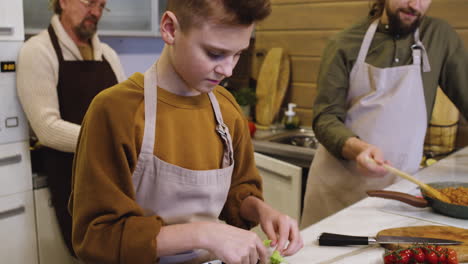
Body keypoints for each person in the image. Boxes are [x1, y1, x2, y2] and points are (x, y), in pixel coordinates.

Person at [69, 0, 303, 263]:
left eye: (238, 54)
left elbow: (239, 190)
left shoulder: (227, 109)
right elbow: (96, 237)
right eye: (215, 54)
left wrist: (262, 211)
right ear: (170, 29)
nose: (228, 70)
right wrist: (203, 234)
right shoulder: (115, 111)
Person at [301, 0, 468, 228]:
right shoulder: (345, 43)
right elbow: (325, 117)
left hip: (399, 189)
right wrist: (358, 149)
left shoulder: (438, 37)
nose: (414, 4)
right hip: (337, 187)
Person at [16, 0, 126, 256]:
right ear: (63, 2)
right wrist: (109, 142)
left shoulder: (108, 54)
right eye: (89, 3)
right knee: (91, 253)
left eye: (101, 6)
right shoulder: (38, 51)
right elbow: (47, 128)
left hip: (115, 175)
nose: (96, 12)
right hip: (72, 179)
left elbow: (126, 113)